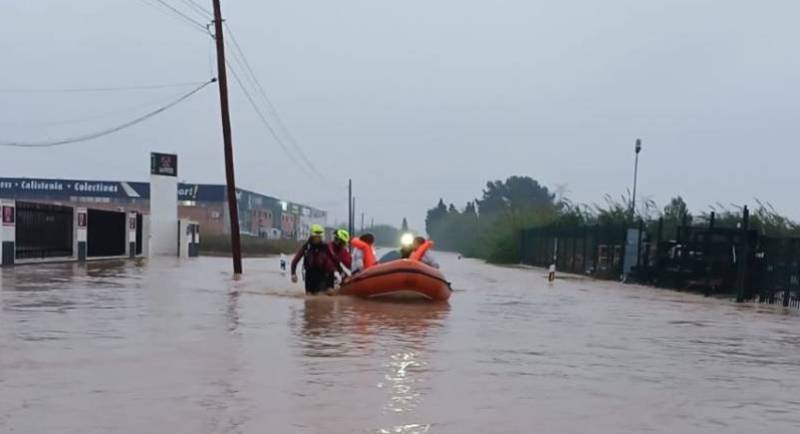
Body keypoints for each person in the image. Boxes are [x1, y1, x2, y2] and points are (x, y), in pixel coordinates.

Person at [291, 224, 340, 295]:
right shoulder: (306, 247)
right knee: (309, 297)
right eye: (317, 236)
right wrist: (293, 273)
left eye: (320, 236)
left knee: (321, 295)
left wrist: (338, 272)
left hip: (323, 274)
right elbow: (295, 260)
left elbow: (335, 260)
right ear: (312, 236)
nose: (319, 238)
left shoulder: (325, 247)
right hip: (309, 275)